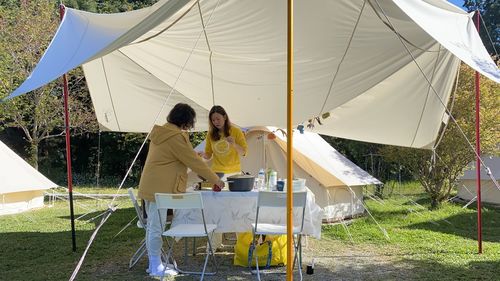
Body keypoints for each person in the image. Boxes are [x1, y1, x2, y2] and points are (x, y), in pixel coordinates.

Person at [138, 103, 224, 277]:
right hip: (159, 189)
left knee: (154, 226)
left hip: (152, 185)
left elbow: (178, 157)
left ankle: (154, 263)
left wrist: (193, 157)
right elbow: (195, 163)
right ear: (185, 121)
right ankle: (155, 266)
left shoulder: (164, 132)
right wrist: (216, 180)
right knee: (156, 226)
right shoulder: (175, 136)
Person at [200, 105, 248, 180]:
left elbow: (244, 153)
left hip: (234, 173)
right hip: (217, 172)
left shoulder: (236, 131)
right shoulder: (210, 134)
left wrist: (234, 145)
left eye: (218, 119)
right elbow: (208, 155)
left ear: (225, 117)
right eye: (213, 120)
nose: (216, 122)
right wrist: (203, 155)